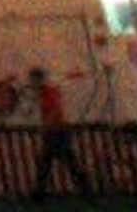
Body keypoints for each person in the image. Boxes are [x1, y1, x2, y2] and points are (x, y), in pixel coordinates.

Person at [29, 64, 91, 200]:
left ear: (39, 79)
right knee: (54, 162)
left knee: (61, 161)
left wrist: (46, 126)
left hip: (57, 132)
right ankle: (39, 193)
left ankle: (85, 189)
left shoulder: (49, 92)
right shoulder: (47, 92)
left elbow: (55, 110)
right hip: (55, 131)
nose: (31, 83)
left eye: (33, 79)